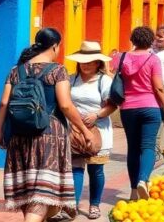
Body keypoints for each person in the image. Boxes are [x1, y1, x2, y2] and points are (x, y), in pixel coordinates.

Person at [0, 28, 96, 221]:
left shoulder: (15, 71)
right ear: (55, 45)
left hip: (19, 135)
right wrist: (85, 131)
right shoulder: (58, 71)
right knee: (42, 196)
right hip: (49, 136)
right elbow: (66, 105)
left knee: (30, 194)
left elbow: (3, 103)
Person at [112, 26, 164, 200]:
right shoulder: (153, 60)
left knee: (132, 148)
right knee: (147, 146)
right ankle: (143, 180)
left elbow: (114, 77)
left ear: (132, 40)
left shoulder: (121, 58)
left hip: (128, 109)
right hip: (150, 107)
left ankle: (133, 192)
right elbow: (159, 87)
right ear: (150, 41)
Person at [66, 42, 116, 220]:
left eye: (90, 61)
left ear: (97, 63)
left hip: (98, 131)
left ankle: (94, 204)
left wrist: (96, 115)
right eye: (82, 61)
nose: (85, 65)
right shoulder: (71, 79)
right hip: (75, 131)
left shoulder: (104, 81)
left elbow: (112, 105)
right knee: (75, 168)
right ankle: (73, 205)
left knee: (96, 169)